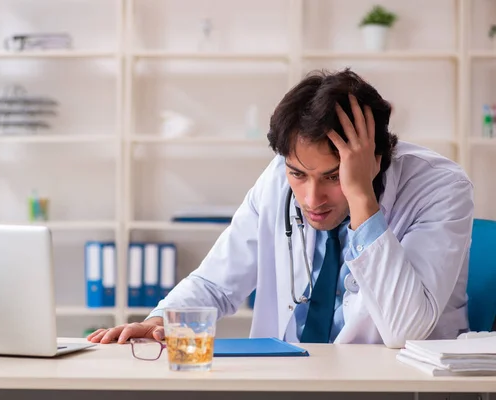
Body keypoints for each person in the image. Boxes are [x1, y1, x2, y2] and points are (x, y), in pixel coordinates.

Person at [88, 68, 474, 349]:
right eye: (298, 174)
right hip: (290, 381)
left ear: (377, 156)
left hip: (394, 387)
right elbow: (215, 283)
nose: (311, 200)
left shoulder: (440, 187)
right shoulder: (277, 178)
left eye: (333, 177)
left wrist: (361, 199)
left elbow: (406, 330)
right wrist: (162, 319)